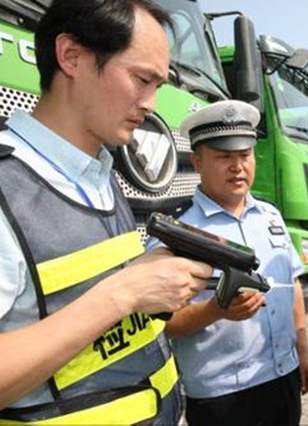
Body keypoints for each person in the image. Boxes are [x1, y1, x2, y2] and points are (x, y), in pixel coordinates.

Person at [0, 1, 212, 424]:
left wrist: (151, 277)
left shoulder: (102, 172)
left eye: (159, 86)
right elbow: (114, 297)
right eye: (141, 79)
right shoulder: (7, 187)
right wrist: (124, 292)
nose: (151, 104)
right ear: (71, 56)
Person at [147, 100, 308, 426]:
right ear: (197, 162)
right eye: (224, 157)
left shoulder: (271, 216)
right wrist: (217, 310)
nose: (238, 167)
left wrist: (303, 352)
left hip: (283, 378)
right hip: (223, 395)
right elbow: (162, 322)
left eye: (245, 155)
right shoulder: (178, 232)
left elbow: (291, 284)